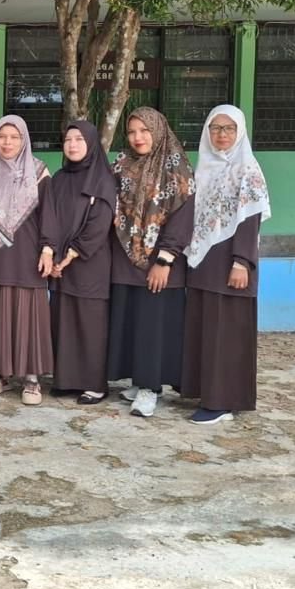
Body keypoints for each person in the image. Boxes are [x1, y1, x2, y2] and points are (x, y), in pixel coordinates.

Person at [182, 104, 270, 425]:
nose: (221, 134)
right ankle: (205, 392)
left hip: (231, 265)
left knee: (227, 333)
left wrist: (242, 261)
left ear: (240, 132)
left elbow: (250, 219)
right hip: (203, 263)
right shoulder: (204, 168)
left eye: (229, 128)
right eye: (215, 128)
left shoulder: (247, 169)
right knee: (205, 330)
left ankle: (222, 401)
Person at [108, 107, 196, 419]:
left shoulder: (176, 166)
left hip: (160, 262)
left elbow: (184, 216)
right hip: (125, 259)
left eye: (144, 131)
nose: (138, 137)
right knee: (131, 322)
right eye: (132, 132)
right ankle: (138, 379)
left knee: (153, 326)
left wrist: (165, 259)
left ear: (158, 130)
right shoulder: (122, 163)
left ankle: (151, 387)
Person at [0, 115, 59, 405]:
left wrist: (48, 249)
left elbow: (49, 214)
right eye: (2, 136)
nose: (7, 142)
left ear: (24, 140)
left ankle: (32, 377)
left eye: (14, 137)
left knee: (29, 314)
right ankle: (0, 372)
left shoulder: (39, 172)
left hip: (28, 255)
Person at [48, 120, 118, 405]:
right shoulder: (59, 178)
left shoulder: (103, 179)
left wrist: (70, 255)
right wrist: (53, 254)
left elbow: (100, 224)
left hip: (90, 263)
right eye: (68, 140)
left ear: (91, 144)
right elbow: (49, 217)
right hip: (60, 264)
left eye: (79, 139)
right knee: (63, 320)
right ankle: (66, 380)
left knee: (89, 323)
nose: (72, 145)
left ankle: (94, 384)